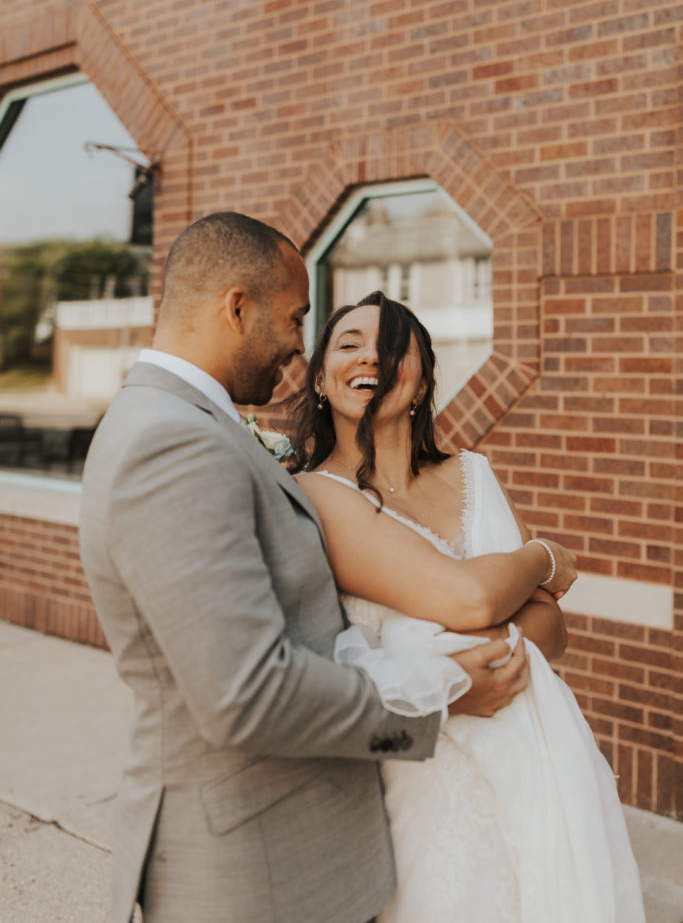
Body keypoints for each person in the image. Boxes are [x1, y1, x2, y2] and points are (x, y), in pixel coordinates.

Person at [79, 213, 574, 923]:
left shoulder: (197, 428)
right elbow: (246, 693)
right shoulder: (171, 442)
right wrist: (440, 696)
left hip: (301, 849)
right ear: (236, 306)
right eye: (295, 317)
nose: (295, 345)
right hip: (247, 868)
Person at [294, 291, 646, 923]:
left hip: (540, 758)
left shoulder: (475, 474)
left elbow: (554, 627)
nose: (371, 355)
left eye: (394, 345)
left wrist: (477, 638)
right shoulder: (315, 494)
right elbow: (474, 596)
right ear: (320, 379)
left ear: (423, 377)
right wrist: (540, 557)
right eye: (348, 344)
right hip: (419, 780)